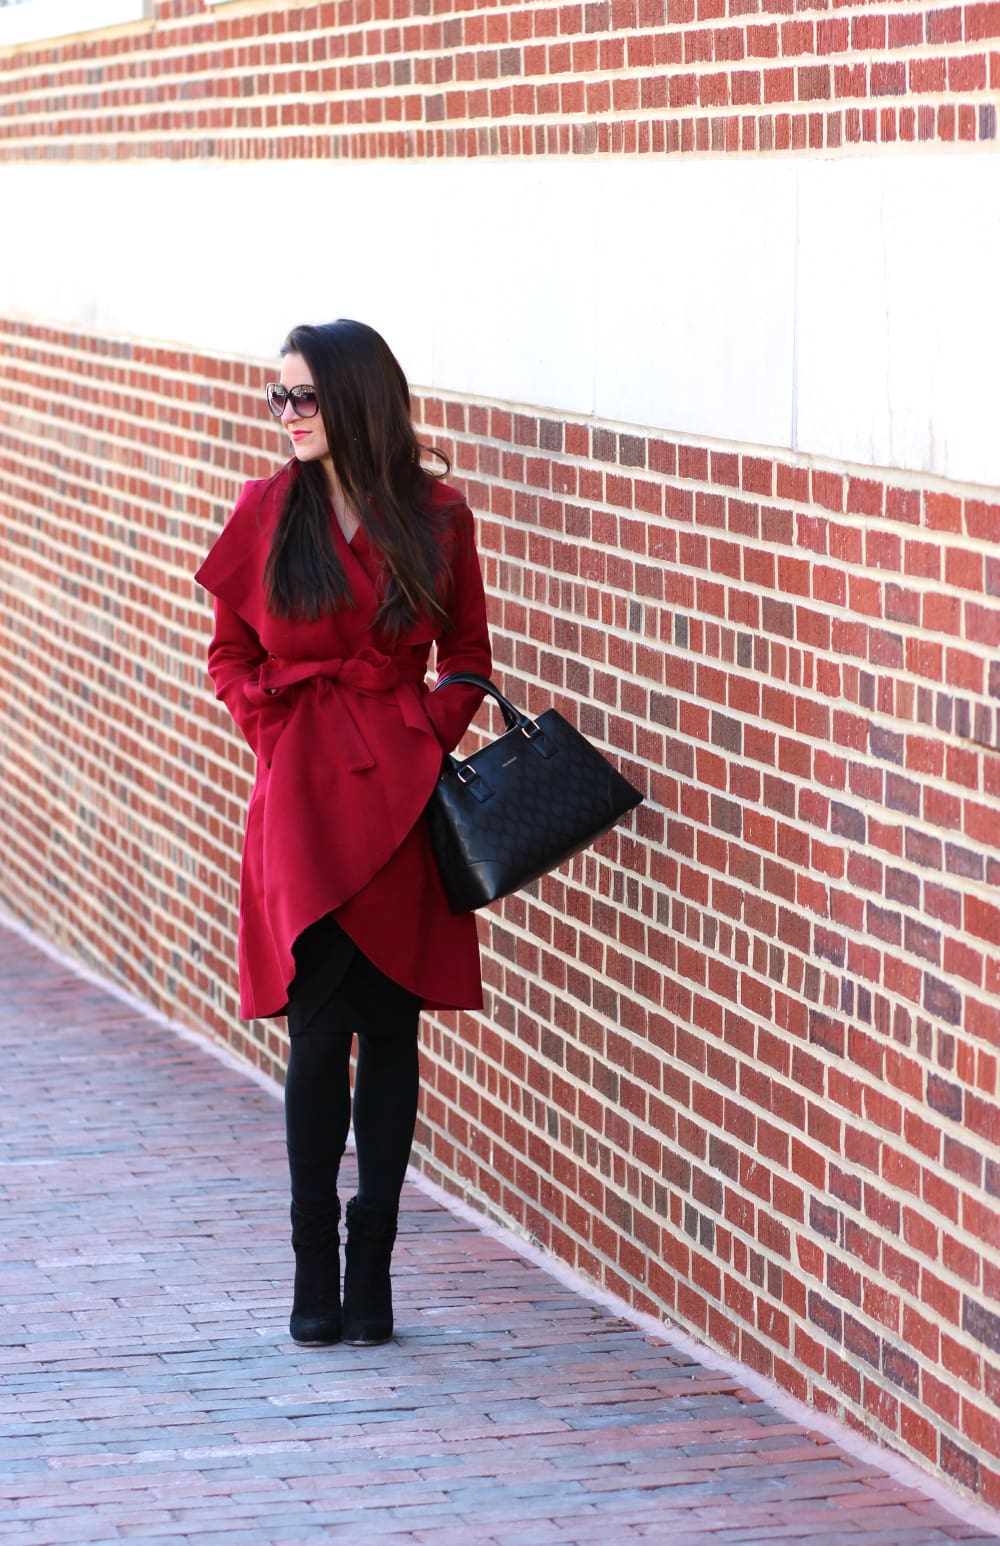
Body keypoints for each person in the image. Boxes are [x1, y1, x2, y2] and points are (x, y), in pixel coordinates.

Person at [195, 320, 491, 1348]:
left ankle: (375, 1272)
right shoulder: (266, 509)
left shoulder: (436, 517)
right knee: (319, 1041)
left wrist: (420, 731)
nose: (287, 416)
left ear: (356, 400)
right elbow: (226, 653)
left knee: (393, 1042)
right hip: (302, 802)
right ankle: (311, 1265)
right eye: (277, 398)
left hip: (400, 802)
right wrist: (270, 731)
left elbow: (468, 655)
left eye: (304, 397)